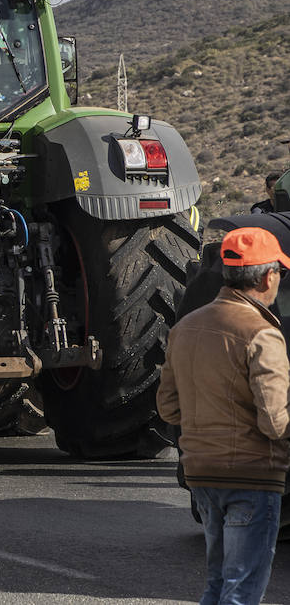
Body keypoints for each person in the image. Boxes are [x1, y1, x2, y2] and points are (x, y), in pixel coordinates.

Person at [157, 227, 290, 605]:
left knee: (217, 583)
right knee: (242, 590)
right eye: (279, 272)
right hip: (252, 476)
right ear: (268, 277)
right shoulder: (262, 334)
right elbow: (274, 422)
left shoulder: (184, 329)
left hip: (201, 473)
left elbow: (167, 407)